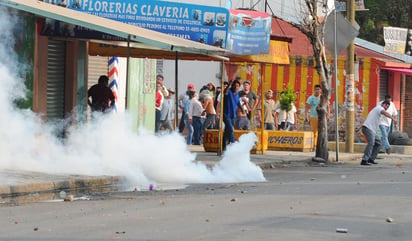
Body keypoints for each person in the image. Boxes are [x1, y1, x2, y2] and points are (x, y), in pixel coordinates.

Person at [361, 100, 396, 166]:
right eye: (386, 106)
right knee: (371, 142)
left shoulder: (377, 112)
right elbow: (385, 113)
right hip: (368, 128)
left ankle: (371, 159)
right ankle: (364, 160)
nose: (386, 108)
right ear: (382, 104)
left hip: (371, 129)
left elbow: (368, 119)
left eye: (387, 107)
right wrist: (392, 118)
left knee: (378, 143)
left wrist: (360, 127)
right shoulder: (379, 108)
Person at [221, 79, 241, 151]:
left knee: (227, 132)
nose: (236, 87)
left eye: (237, 86)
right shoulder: (229, 92)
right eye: (235, 86)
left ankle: (223, 147)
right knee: (231, 130)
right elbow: (225, 92)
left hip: (233, 116)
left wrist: (242, 109)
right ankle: (233, 146)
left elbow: (238, 103)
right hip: (226, 115)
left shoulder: (237, 95)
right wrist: (229, 84)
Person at [305, 84, 321, 149]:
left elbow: (328, 107)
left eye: (318, 89)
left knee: (321, 132)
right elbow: (307, 107)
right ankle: (314, 146)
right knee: (314, 132)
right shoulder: (311, 98)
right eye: (316, 89)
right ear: (314, 90)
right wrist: (307, 116)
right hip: (313, 116)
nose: (317, 91)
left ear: (321, 90)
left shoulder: (322, 98)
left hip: (321, 117)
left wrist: (328, 115)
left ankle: (319, 145)